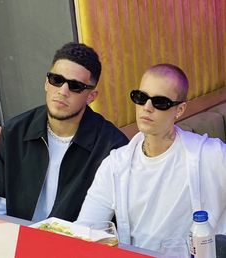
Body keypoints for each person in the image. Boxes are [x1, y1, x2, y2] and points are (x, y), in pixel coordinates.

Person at [77, 63, 226, 252]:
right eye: (141, 98)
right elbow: (86, 230)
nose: (147, 107)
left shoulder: (210, 156)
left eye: (160, 102)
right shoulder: (115, 165)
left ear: (179, 110)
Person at [0, 42, 129, 222]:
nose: (63, 91)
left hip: (74, 244)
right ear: (47, 83)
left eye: (75, 86)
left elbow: (112, 222)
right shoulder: (15, 131)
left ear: (91, 96)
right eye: (57, 80)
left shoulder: (112, 147)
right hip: (18, 239)